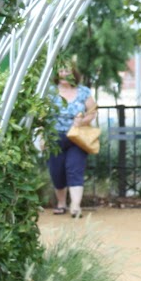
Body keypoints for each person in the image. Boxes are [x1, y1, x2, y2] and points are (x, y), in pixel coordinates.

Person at [47, 67, 97, 218]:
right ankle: (61, 203)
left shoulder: (83, 92)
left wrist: (82, 121)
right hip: (54, 137)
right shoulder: (50, 92)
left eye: (67, 71)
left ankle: (75, 206)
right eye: (61, 71)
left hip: (77, 137)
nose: (64, 74)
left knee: (75, 169)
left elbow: (92, 112)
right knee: (57, 171)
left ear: (74, 73)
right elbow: (41, 113)